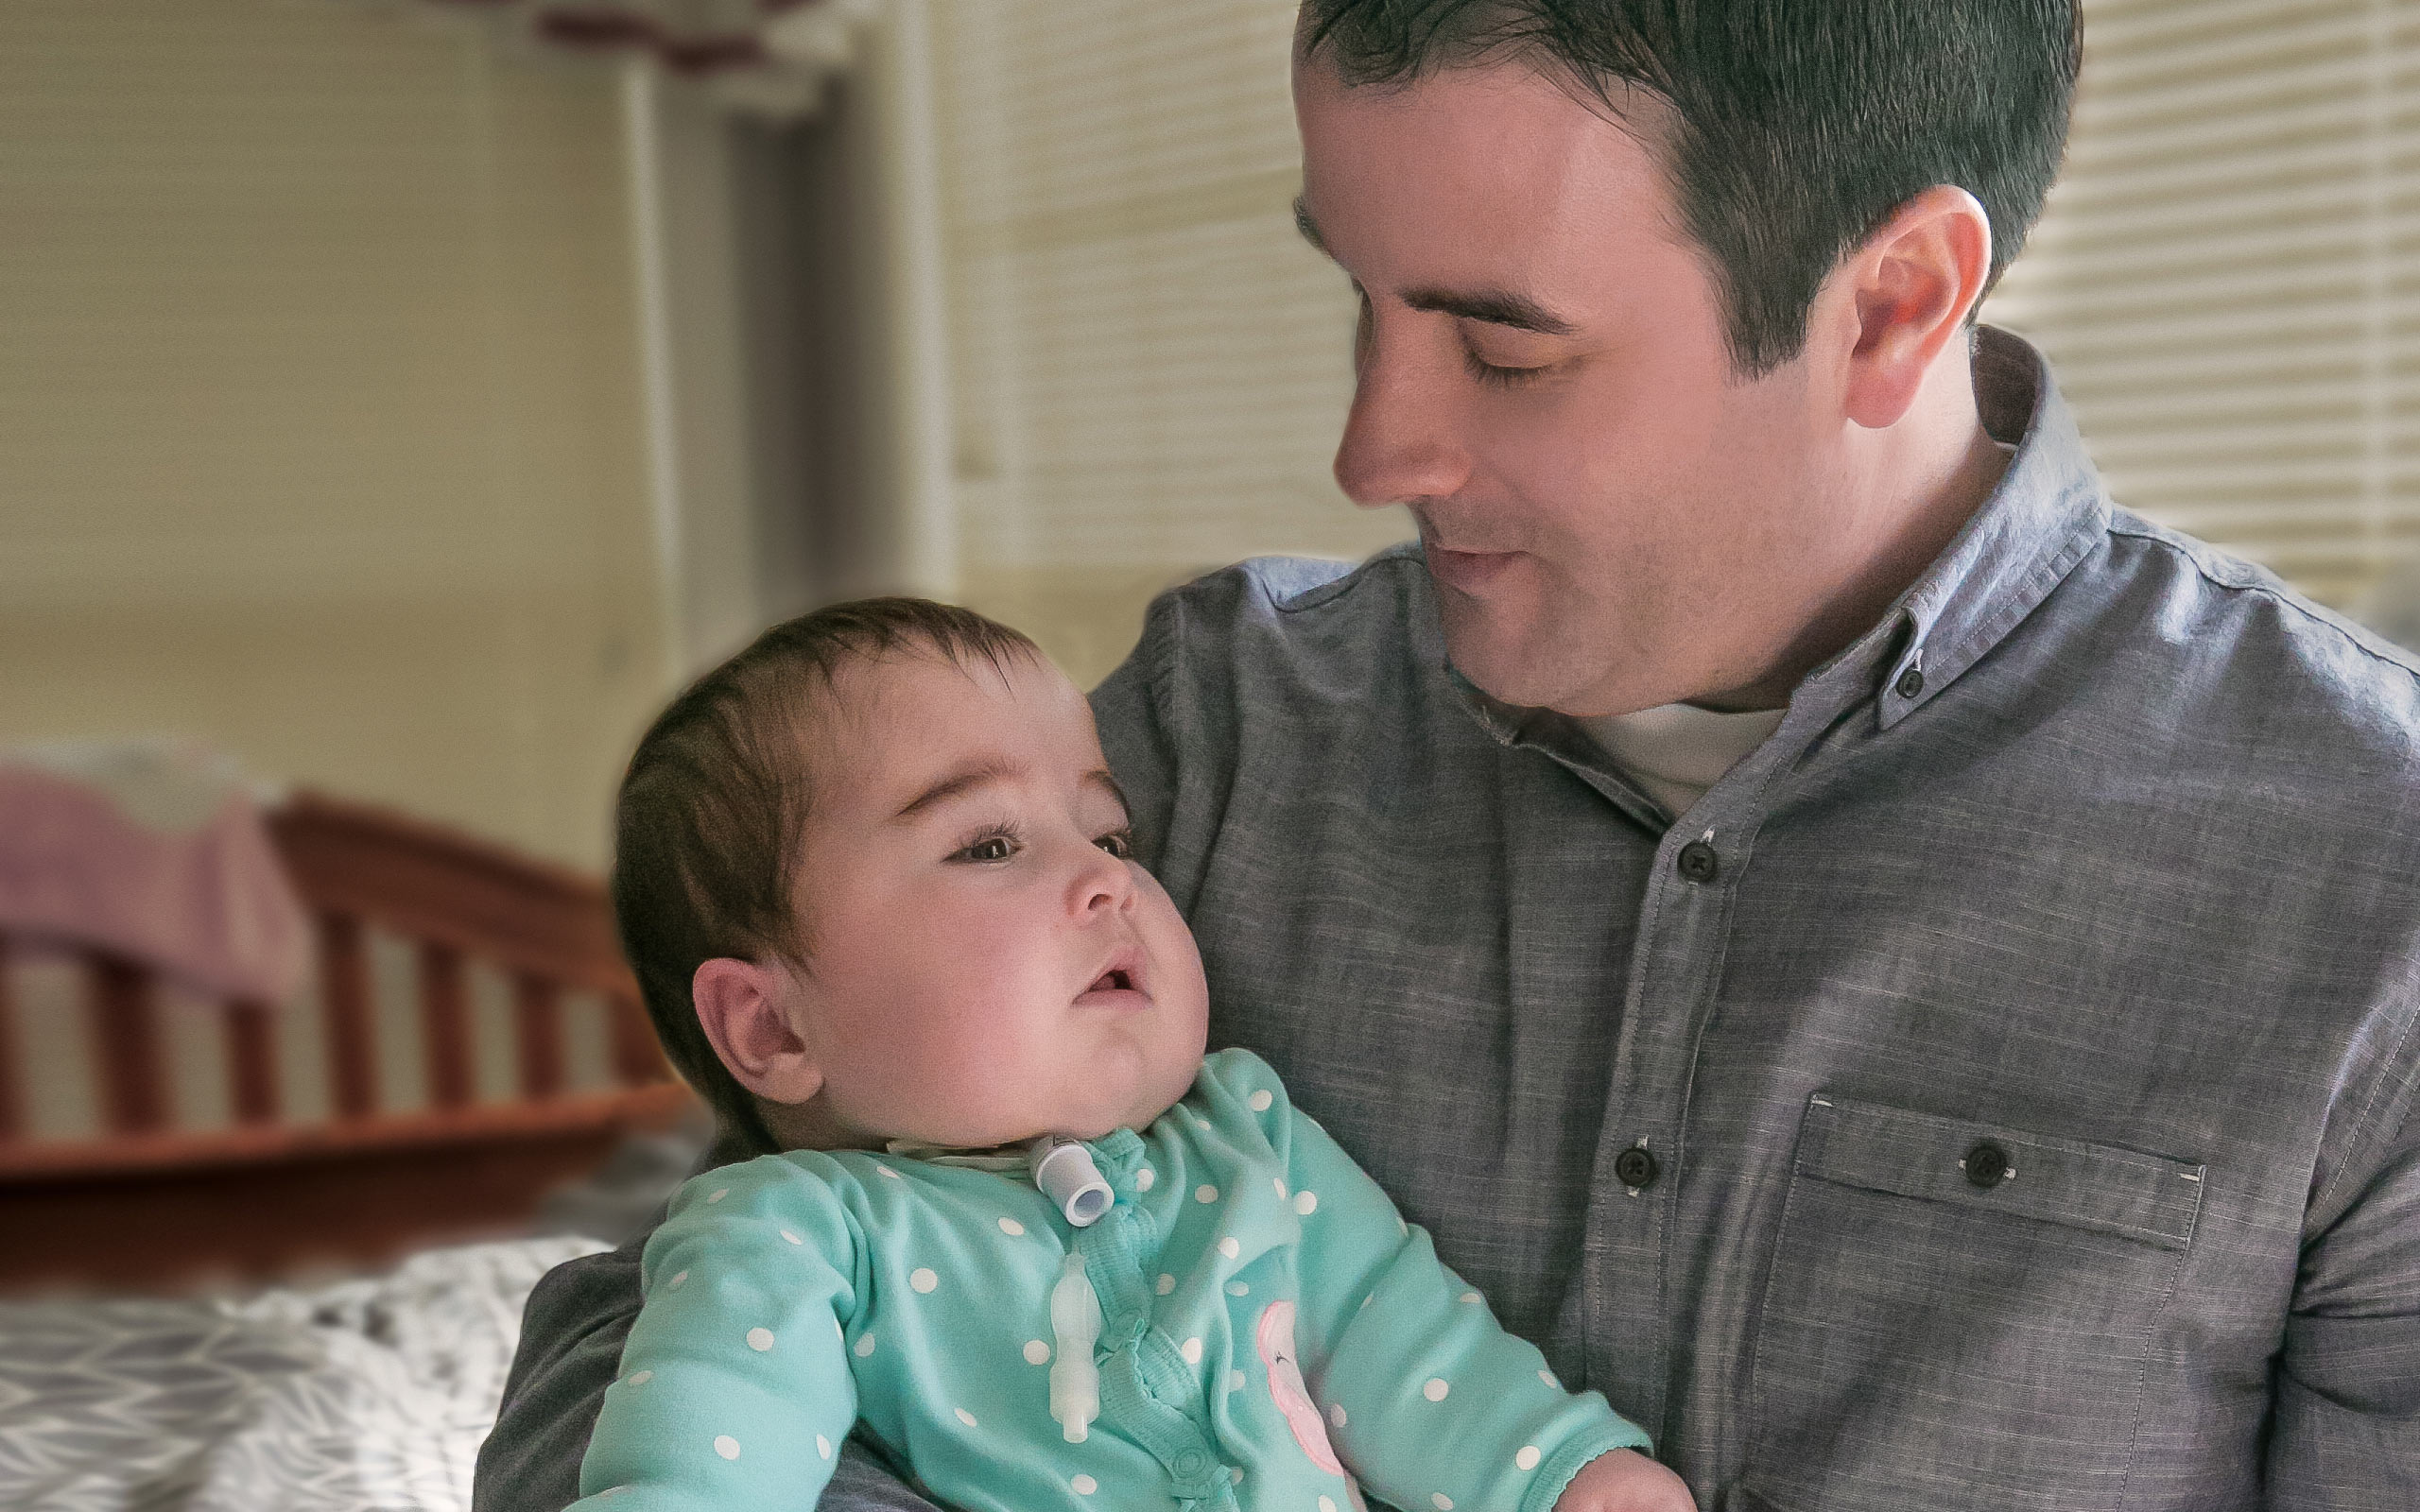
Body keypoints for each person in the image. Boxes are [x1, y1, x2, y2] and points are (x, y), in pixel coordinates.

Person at [479, 4, 2420, 1508]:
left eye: (1500, 347)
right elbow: (682, 1288)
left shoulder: (2364, 879)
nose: (1371, 452)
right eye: (1360, 294)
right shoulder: (1210, 735)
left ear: (1890, 304)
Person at [565, 599, 1687, 1512]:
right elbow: (706, 1444)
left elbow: (1400, 1335)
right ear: (775, 1028)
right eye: (988, 842)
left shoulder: (1249, 1135)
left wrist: (1556, 1473)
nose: (1109, 879)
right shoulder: (800, 1233)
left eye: (1107, 834)